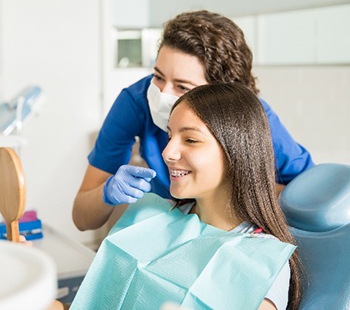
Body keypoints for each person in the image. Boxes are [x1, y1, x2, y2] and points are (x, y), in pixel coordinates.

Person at [57, 83, 302, 310]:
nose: (168, 152)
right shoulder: (149, 216)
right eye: (170, 136)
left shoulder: (262, 260)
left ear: (236, 152)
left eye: (191, 140)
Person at [72, 10, 314, 232]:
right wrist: (108, 192)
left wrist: (241, 188)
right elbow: (83, 219)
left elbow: (312, 203)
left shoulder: (251, 119)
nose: (162, 94)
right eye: (158, 76)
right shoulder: (136, 102)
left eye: (182, 86)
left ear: (222, 97)